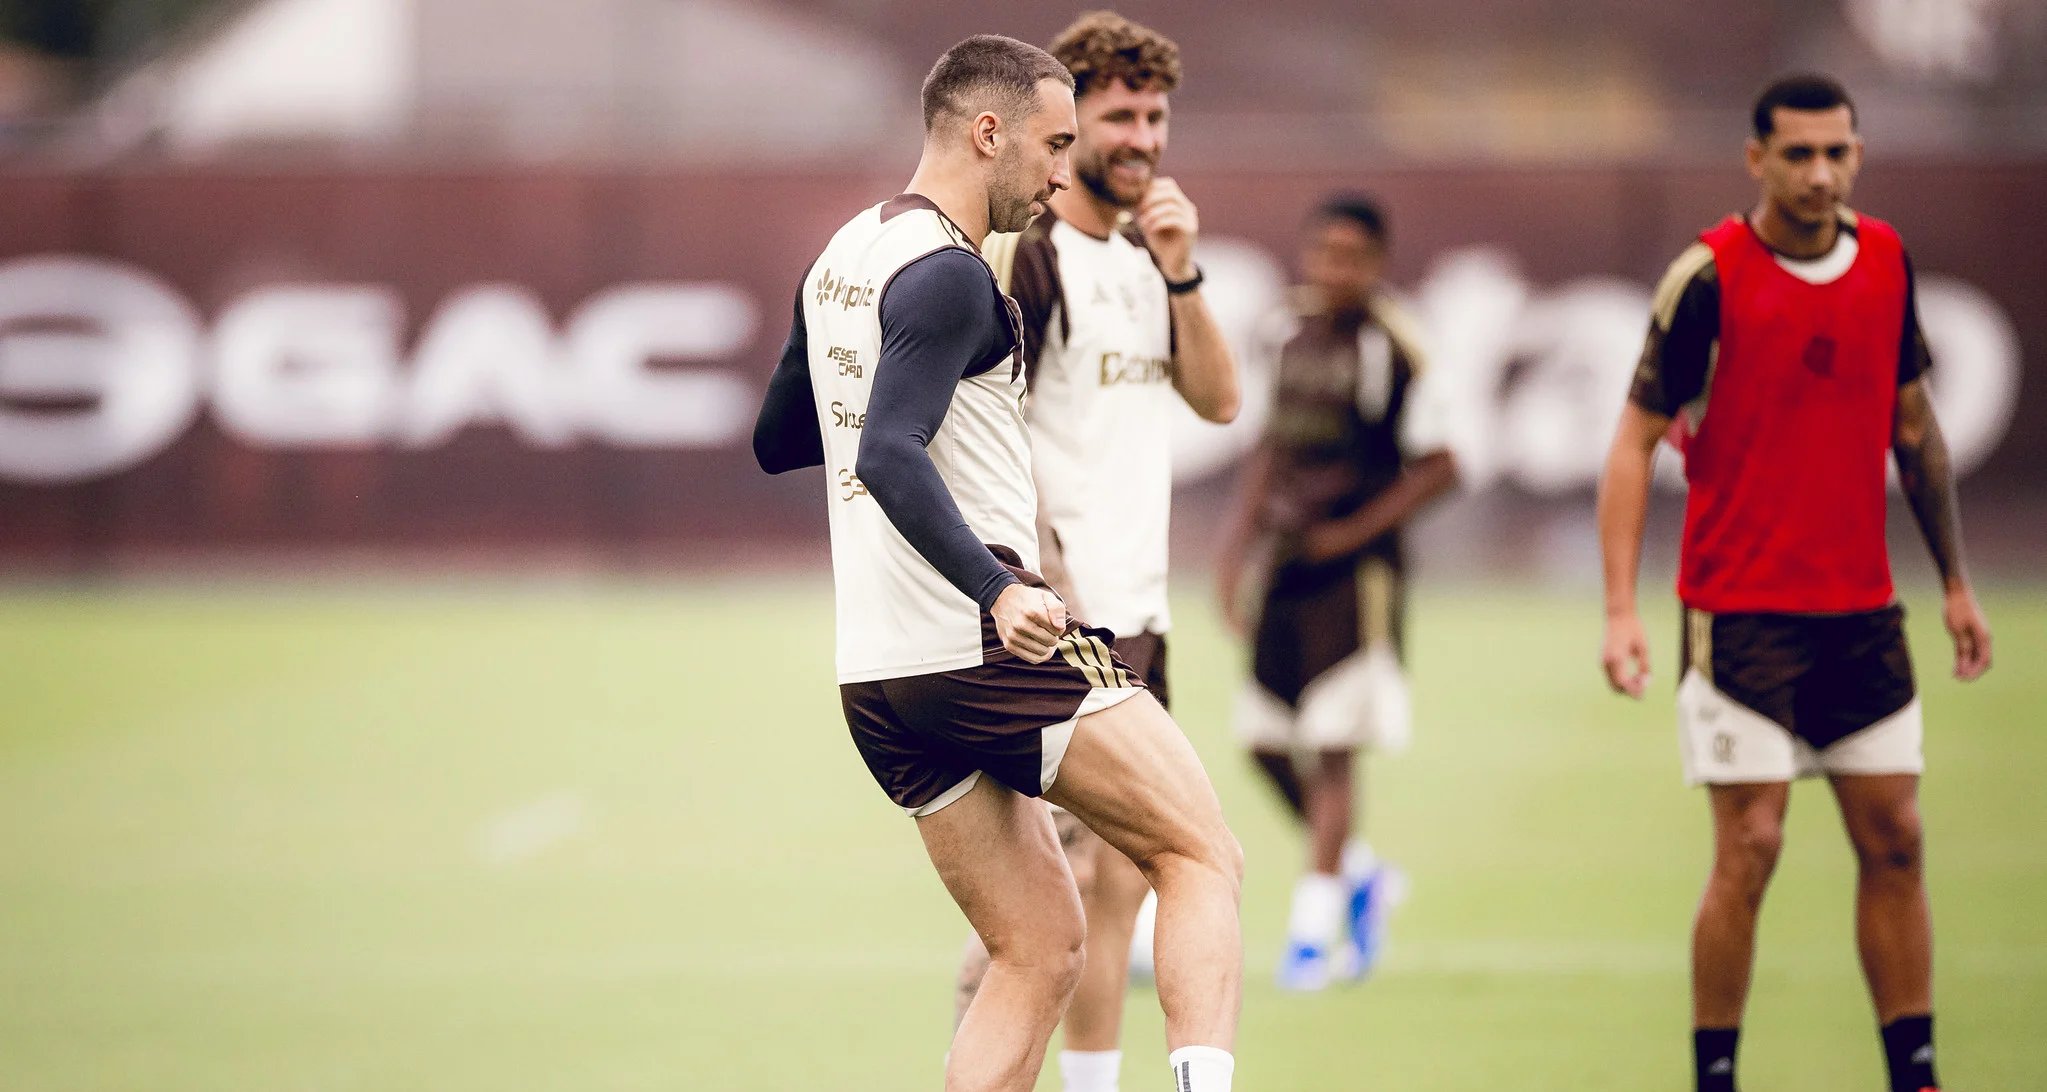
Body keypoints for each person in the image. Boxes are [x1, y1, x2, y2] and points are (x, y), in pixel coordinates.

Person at [751, 34, 1244, 1092]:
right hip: (983, 645)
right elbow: (887, 451)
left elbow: (782, 439)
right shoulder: (953, 275)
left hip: (878, 675)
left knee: (1040, 946)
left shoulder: (843, 255)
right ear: (988, 133)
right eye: (1053, 144)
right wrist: (998, 585)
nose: (1061, 172)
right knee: (1202, 854)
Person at [1597, 73, 1993, 1092]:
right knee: (1752, 845)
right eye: (1799, 154)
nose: (1820, 174)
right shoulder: (1707, 278)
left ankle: (1914, 1075)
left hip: (1862, 614)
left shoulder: (1887, 259)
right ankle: (1715, 1076)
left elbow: (1914, 428)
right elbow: (1633, 441)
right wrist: (1619, 609)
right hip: (1739, 616)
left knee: (1894, 839)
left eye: (1837, 152)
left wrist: (1954, 583)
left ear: (1856, 154)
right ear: (1756, 159)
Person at [949, 14, 1240, 1092]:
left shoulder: (1143, 259)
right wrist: (1036, 575)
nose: (1142, 139)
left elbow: (1219, 400)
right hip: (1058, 618)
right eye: (1119, 116)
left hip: (1137, 612)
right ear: (1067, 127)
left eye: (1156, 117)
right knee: (1043, 904)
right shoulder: (1030, 257)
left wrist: (1183, 272)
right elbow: (979, 428)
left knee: (1119, 885)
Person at [1214, 195, 1458, 991]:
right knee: (1263, 743)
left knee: (1332, 749)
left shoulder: (1397, 344)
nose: (1335, 270)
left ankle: (1311, 939)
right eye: (1323, 253)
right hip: (1285, 569)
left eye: (1352, 257)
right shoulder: (1281, 332)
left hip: (1358, 579)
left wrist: (1351, 534)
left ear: (1378, 263)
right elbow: (1265, 446)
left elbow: (1441, 464)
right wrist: (1234, 551)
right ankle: (1360, 875)